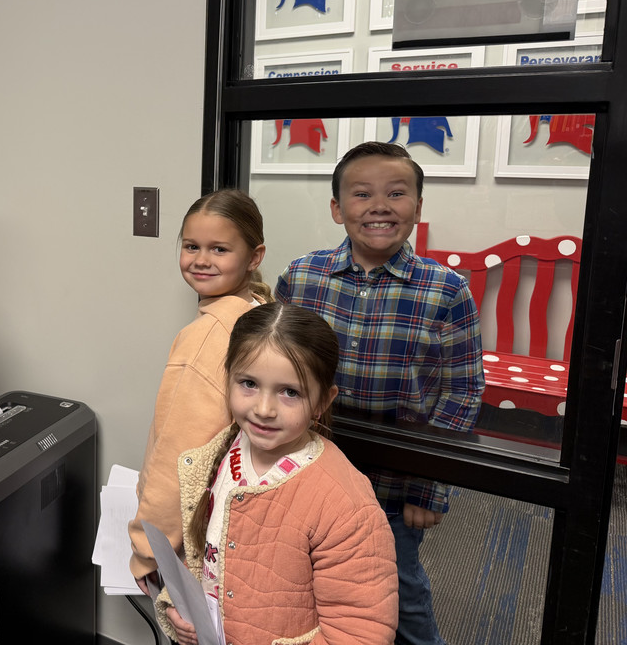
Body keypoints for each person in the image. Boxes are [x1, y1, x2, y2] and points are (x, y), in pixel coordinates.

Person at [275, 141, 485, 645]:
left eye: (396, 193)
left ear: (418, 206)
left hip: (393, 485)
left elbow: (461, 392)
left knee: (396, 595)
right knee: (305, 585)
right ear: (337, 208)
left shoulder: (446, 290)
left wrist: (429, 488)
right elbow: (274, 369)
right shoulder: (302, 277)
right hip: (307, 472)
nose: (379, 206)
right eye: (362, 193)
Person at [156, 302, 399, 645]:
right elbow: (203, 555)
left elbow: (360, 632)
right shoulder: (220, 452)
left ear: (322, 401)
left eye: (290, 392)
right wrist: (180, 605)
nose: (264, 409)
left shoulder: (345, 504)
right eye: (249, 383)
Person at [129, 189, 269, 591]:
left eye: (219, 249)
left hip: (196, 531)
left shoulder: (208, 337)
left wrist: (148, 552)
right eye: (192, 246)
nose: (201, 260)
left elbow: (180, 455)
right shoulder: (256, 308)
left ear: (254, 257)